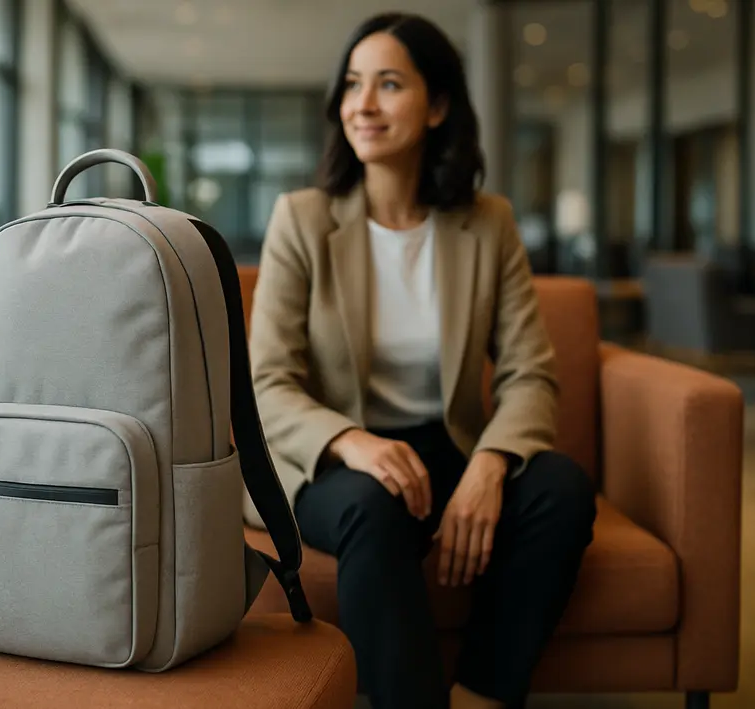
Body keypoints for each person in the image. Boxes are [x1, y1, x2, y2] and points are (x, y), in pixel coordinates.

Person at [247, 12, 597, 709]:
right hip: (333, 459)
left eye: (388, 84)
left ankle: (478, 694)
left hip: (448, 443)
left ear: (437, 106)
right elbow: (267, 381)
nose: (362, 104)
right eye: (351, 85)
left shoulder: (485, 223)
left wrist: (491, 464)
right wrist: (350, 440)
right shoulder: (302, 218)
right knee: (371, 505)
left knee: (560, 488)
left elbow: (530, 371)